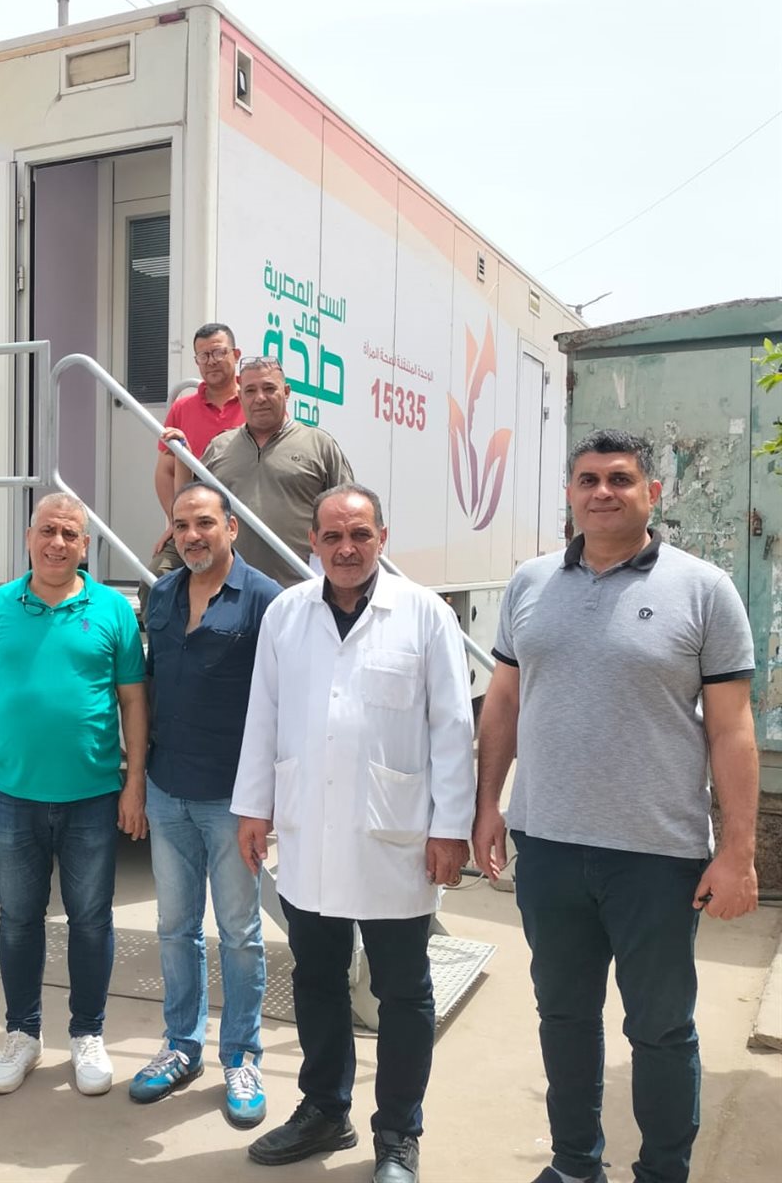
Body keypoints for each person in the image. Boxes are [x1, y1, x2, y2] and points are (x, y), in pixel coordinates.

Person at [472, 429, 759, 1183]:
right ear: (570, 493)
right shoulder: (531, 583)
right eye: (589, 479)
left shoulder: (704, 589)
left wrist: (737, 852)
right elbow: (503, 701)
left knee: (660, 1029)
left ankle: (663, 1172)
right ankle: (575, 1165)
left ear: (651, 493)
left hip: (657, 858)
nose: (603, 492)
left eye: (621, 479)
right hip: (549, 847)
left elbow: (732, 729)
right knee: (564, 1017)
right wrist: (488, 805)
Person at [232, 483, 476, 1183]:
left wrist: (450, 828)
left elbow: (452, 728)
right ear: (313, 541)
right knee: (316, 978)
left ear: (382, 539)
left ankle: (398, 1133)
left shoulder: (425, 614)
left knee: (402, 992)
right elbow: (263, 715)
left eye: (360, 534)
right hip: (308, 830)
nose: (346, 548)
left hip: (395, 836)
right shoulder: (286, 614)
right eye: (333, 536)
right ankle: (323, 1109)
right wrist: (254, 807)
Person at [0, 493, 148, 1098]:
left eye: (70, 534)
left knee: (91, 921)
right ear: (28, 537)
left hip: (92, 796)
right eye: (48, 531)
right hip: (13, 796)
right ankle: (23, 1034)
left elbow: (133, 702)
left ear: (85, 545)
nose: (57, 543)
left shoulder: (113, 609)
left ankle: (87, 1033)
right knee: (18, 921)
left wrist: (135, 783)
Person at [130, 482, 281, 1126]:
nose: (193, 535)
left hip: (232, 799)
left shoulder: (265, 600)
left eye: (205, 523)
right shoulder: (162, 594)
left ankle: (242, 1055)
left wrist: (264, 801)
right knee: (175, 927)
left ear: (231, 528)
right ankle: (181, 1046)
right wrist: (138, 780)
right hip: (168, 789)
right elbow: (148, 687)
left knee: (240, 933)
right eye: (182, 524)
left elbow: (279, 703)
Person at [201, 356, 354, 587]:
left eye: (269, 388)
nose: (260, 398)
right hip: (231, 591)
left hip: (299, 589)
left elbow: (348, 515)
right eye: (250, 391)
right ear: (240, 396)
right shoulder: (219, 448)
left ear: (287, 392)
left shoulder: (319, 446)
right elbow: (196, 509)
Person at [147, 323, 246, 580]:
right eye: (203, 355)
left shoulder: (254, 403)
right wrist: (176, 521)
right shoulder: (182, 408)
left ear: (236, 355)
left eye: (219, 352)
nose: (211, 361)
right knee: (158, 577)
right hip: (197, 524)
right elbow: (165, 472)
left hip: (245, 525)